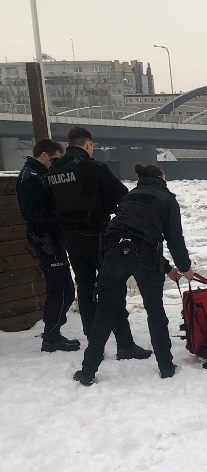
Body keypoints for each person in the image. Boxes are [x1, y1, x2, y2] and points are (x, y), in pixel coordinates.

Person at [73, 164, 193, 385]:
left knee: (104, 313)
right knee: (155, 312)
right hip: (145, 258)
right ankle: (166, 366)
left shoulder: (129, 198)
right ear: (161, 177)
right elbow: (173, 238)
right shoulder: (166, 199)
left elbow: (135, 230)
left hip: (113, 253)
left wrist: (167, 269)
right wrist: (185, 268)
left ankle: (88, 371)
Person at [46, 126, 150, 359]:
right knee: (111, 288)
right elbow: (121, 194)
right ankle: (124, 343)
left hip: (70, 239)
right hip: (97, 236)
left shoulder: (53, 171)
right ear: (88, 145)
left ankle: (95, 343)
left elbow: (51, 204)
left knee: (84, 287)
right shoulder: (94, 168)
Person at [15, 139, 79, 352]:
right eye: (55, 159)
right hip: (46, 240)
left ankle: (53, 334)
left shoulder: (37, 175)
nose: (56, 164)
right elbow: (33, 214)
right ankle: (51, 337)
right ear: (44, 155)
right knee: (61, 289)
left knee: (64, 288)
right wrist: (62, 216)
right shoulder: (31, 178)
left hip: (50, 238)